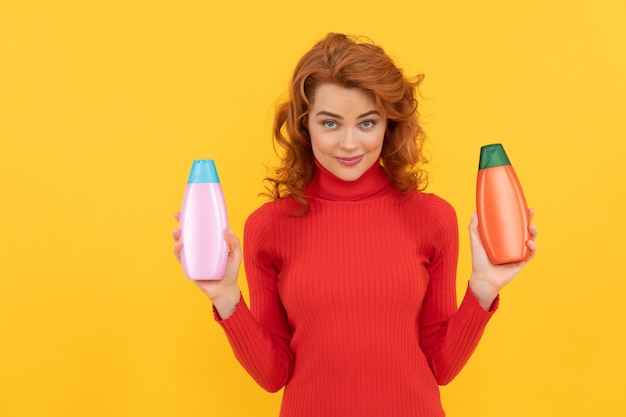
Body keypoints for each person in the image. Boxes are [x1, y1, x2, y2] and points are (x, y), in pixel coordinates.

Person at [172, 32, 538, 417]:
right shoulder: (269, 226)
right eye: (330, 124)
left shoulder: (432, 218)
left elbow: (441, 367)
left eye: (367, 123)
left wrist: (482, 290)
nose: (349, 144)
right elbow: (272, 375)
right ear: (304, 125)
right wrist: (226, 297)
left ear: (388, 125)